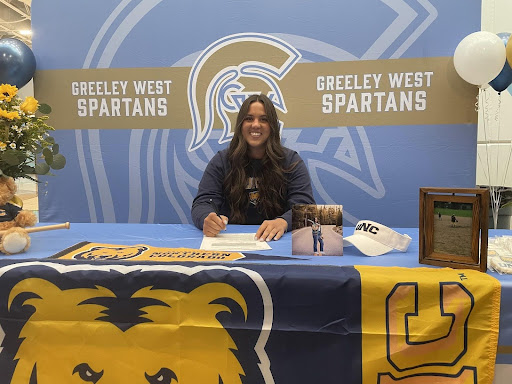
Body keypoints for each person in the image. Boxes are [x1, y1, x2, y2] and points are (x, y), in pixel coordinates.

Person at [191, 94, 315, 241]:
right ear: (240, 125)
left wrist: (284, 222)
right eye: (249, 118)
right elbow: (203, 202)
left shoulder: (291, 161)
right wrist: (207, 219)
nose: (256, 124)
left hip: (277, 241)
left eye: (264, 119)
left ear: (273, 126)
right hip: (229, 241)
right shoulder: (221, 160)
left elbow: (306, 207)